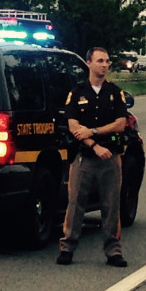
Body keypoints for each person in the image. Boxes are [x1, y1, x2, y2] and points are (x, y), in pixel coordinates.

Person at [57, 47, 128, 268]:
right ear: (89, 63)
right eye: (100, 61)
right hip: (84, 157)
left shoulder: (115, 93)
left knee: (111, 204)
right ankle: (67, 247)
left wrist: (95, 132)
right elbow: (73, 125)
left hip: (110, 157)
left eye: (107, 61)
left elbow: (120, 123)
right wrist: (93, 144)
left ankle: (113, 251)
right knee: (75, 202)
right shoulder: (77, 92)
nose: (104, 65)